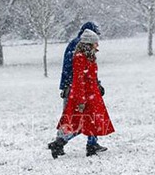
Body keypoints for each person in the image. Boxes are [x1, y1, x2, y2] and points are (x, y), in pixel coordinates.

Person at [48, 29, 115, 158]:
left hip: (92, 94)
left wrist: (98, 85)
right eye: (95, 43)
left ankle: (91, 145)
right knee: (80, 124)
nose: (97, 45)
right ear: (89, 43)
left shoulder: (89, 55)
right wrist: (81, 100)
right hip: (85, 96)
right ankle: (59, 143)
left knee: (93, 122)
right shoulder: (79, 58)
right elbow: (79, 81)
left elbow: (91, 76)